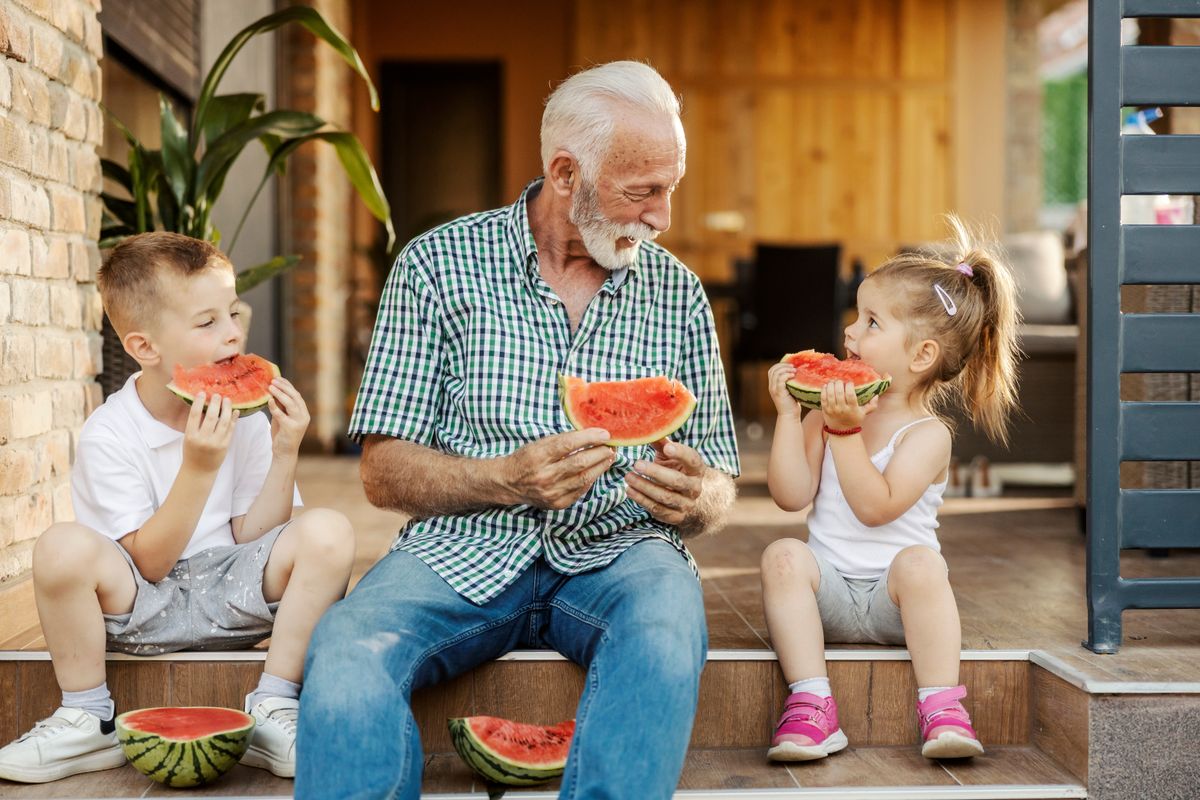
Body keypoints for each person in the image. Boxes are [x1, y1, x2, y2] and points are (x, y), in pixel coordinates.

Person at [296, 61, 740, 799]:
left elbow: (721, 481)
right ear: (565, 174)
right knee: (345, 648)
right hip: (461, 548)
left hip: (620, 551)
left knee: (666, 630)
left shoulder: (678, 293)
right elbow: (382, 471)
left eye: (671, 188)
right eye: (643, 192)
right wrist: (502, 479)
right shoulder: (436, 266)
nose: (664, 217)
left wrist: (697, 496)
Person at [0, 233, 355, 783]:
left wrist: (285, 451)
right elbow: (148, 565)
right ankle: (87, 716)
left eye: (233, 313)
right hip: (141, 605)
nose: (234, 332)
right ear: (145, 347)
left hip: (237, 598)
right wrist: (198, 468)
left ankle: (275, 703)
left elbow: (254, 536)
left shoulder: (247, 418)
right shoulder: (110, 433)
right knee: (59, 547)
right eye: (206, 322)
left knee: (329, 531)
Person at [760, 218, 1019, 762]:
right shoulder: (824, 413)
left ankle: (943, 707)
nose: (850, 333)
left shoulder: (927, 436)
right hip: (826, 594)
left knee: (923, 564)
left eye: (871, 322)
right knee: (782, 554)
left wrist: (844, 432)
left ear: (921, 356)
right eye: (856, 317)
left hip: (896, 604)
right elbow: (790, 495)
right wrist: (789, 416)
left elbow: (875, 508)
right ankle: (811, 703)